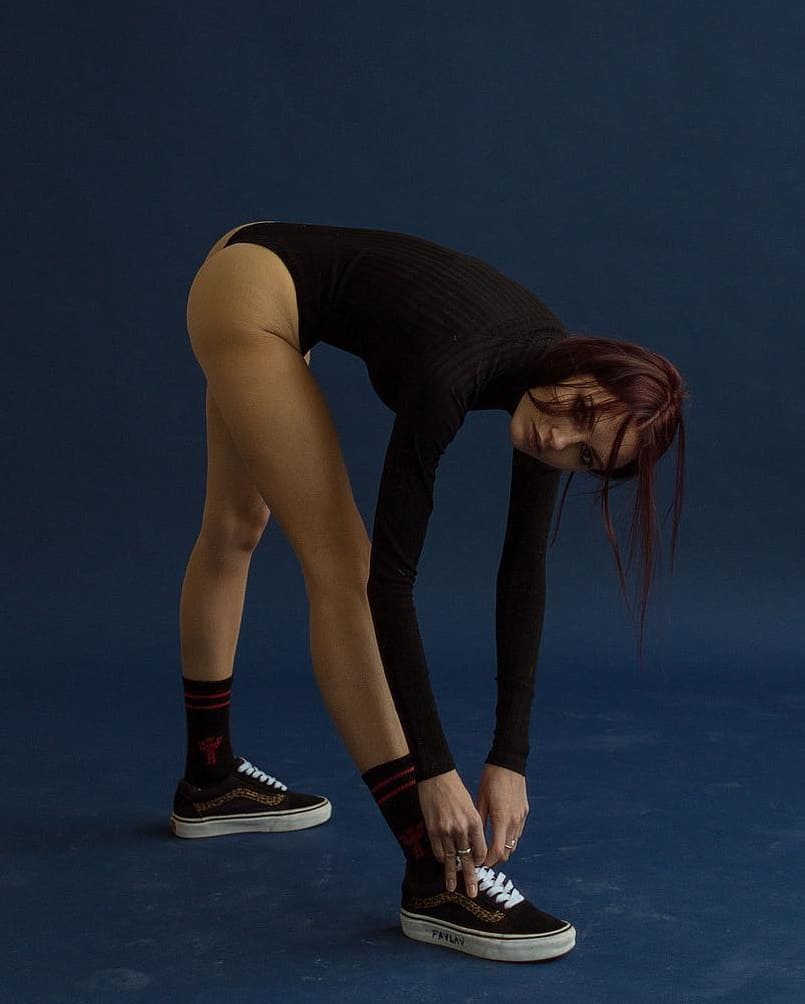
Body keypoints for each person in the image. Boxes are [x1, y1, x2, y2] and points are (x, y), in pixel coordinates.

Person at [171, 220, 688, 963]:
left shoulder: (552, 392)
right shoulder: (458, 374)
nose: (559, 441)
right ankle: (434, 872)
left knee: (235, 525)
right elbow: (388, 582)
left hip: (258, 265)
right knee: (343, 566)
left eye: (585, 457)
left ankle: (209, 778)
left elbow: (522, 574)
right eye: (577, 416)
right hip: (252, 291)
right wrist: (435, 773)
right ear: (586, 369)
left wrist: (510, 757)